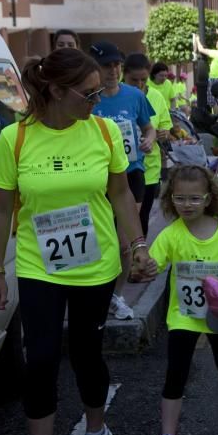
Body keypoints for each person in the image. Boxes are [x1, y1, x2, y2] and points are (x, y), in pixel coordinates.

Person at [0, 48, 152, 435]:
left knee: (86, 354)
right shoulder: (15, 139)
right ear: (56, 91)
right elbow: (0, 209)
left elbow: (119, 195)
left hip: (94, 266)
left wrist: (138, 247)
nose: (97, 101)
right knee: (39, 360)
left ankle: (97, 433)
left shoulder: (103, 131)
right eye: (89, 93)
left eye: (100, 92)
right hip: (41, 267)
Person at [146, 165, 218, 435]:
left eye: (194, 199)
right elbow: (154, 261)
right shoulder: (171, 234)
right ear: (170, 200)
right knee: (175, 373)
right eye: (180, 198)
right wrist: (144, 267)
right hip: (183, 315)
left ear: (208, 199)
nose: (187, 205)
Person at [89, 41, 156, 320]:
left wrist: (149, 141)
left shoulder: (134, 96)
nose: (113, 70)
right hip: (96, 179)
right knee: (99, 242)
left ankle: (116, 297)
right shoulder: (89, 99)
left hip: (131, 175)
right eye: (106, 66)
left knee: (124, 242)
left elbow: (149, 127)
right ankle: (94, 295)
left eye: (117, 64)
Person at [123, 53, 172, 237]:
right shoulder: (114, 97)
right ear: (123, 74)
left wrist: (162, 133)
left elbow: (166, 126)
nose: (139, 85)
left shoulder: (156, 96)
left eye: (143, 80)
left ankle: (137, 258)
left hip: (149, 169)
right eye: (133, 80)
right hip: (120, 170)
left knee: (141, 218)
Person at [194, 30, 218, 113]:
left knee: (212, 101)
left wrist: (197, 39)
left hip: (213, 79)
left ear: (217, 46)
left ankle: (217, 117)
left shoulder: (216, 53)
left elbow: (201, 49)